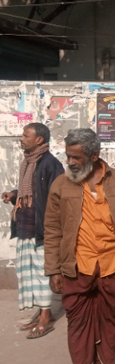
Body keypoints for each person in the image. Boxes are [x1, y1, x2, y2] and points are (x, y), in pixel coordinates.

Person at [44, 128, 115, 364]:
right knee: (78, 322)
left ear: (94, 155)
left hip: (113, 263)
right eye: (68, 156)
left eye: (76, 157)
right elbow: (52, 230)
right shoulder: (61, 184)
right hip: (77, 265)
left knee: (109, 320)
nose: (70, 162)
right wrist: (53, 269)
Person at [2, 123, 63, 339]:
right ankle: (41, 312)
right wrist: (15, 195)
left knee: (41, 272)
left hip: (42, 230)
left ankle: (46, 317)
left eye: (25, 135)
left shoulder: (50, 164)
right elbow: (32, 193)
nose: (21, 138)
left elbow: (56, 198)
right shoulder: (28, 162)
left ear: (39, 140)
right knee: (28, 272)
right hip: (26, 227)